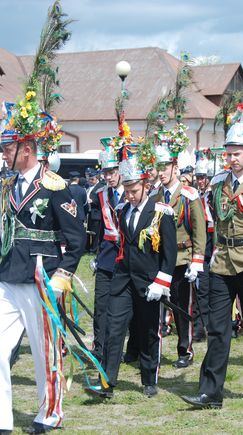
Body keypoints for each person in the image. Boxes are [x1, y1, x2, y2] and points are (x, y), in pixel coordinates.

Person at [0, 93, 85, 435]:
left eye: (7, 148)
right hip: (10, 279)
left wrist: (63, 276)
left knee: (43, 351)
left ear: (26, 149)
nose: (3, 154)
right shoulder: (8, 186)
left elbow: (77, 238)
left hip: (42, 279)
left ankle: (49, 412)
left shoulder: (55, 187)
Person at [181, 104, 243, 407]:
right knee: (218, 329)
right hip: (223, 262)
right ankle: (210, 392)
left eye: (237, 152)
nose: (231, 158)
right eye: (228, 153)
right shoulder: (216, 184)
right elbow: (210, 222)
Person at [85, 137, 176, 399]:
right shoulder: (123, 210)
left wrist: (163, 281)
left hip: (149, 282)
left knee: (147, 331)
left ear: (145, 186)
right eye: (127, 190)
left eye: (134, 190)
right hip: (123, 280)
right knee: (114, 328)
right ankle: (107, 380)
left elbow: (169, 252)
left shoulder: (161, 212)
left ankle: (149, 379)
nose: (129, 195)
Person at [151, 124, 206, 369]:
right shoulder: (154, 196)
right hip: (160, 258)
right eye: (157, 167)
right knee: (157, 305)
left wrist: (197, 259)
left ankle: (185, 349)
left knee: (182, 305)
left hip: (182, 258)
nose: (160, 172)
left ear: (175, 167)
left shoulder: (188, 195)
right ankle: (154, 348)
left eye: (164, 167)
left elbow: (199, 228)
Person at [90, 140, 124, 363]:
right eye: (105, 173)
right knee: (101, 304)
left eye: (112, 172)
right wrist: (96, 254)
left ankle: (121, 348)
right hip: (107, 253)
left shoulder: (135, 190)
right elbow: (98, 227)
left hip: (128, 253)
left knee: (121, 307)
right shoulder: (100, 194)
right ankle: (99, 347)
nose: (109, 177)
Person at [191, 151, 214, 342]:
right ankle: (200, 327)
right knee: (202, 288)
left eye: (203, 177)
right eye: (198, 177)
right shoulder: (195, 196)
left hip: (217, 242)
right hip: (203, 243)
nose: (200, 180)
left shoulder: (215, 194)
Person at [86, 168, 105, 253]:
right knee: (88, 230)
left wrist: (93, 201)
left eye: (92, 179)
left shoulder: (100, 186)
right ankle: (87, 247)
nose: (90, 181)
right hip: (89, 212)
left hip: (96, 212)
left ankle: (93, 249)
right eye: (89, 179)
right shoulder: (89, 187)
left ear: (96, 178)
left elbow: (101, 199)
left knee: (95, 232)